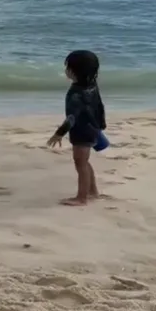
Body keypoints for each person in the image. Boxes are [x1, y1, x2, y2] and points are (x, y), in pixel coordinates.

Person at [46, 50, 106, 206]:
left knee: (80, 163)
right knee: (84, 162)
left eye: (68, 67)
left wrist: (59, 133)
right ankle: (92, 191)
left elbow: (71, 118)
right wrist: (101, 125)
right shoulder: (92, 85)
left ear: (75, 72)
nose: (66, 70)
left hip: (82, 132)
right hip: (92, 128)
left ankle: (81, 198)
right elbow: (100, 106)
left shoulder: (76, 93)